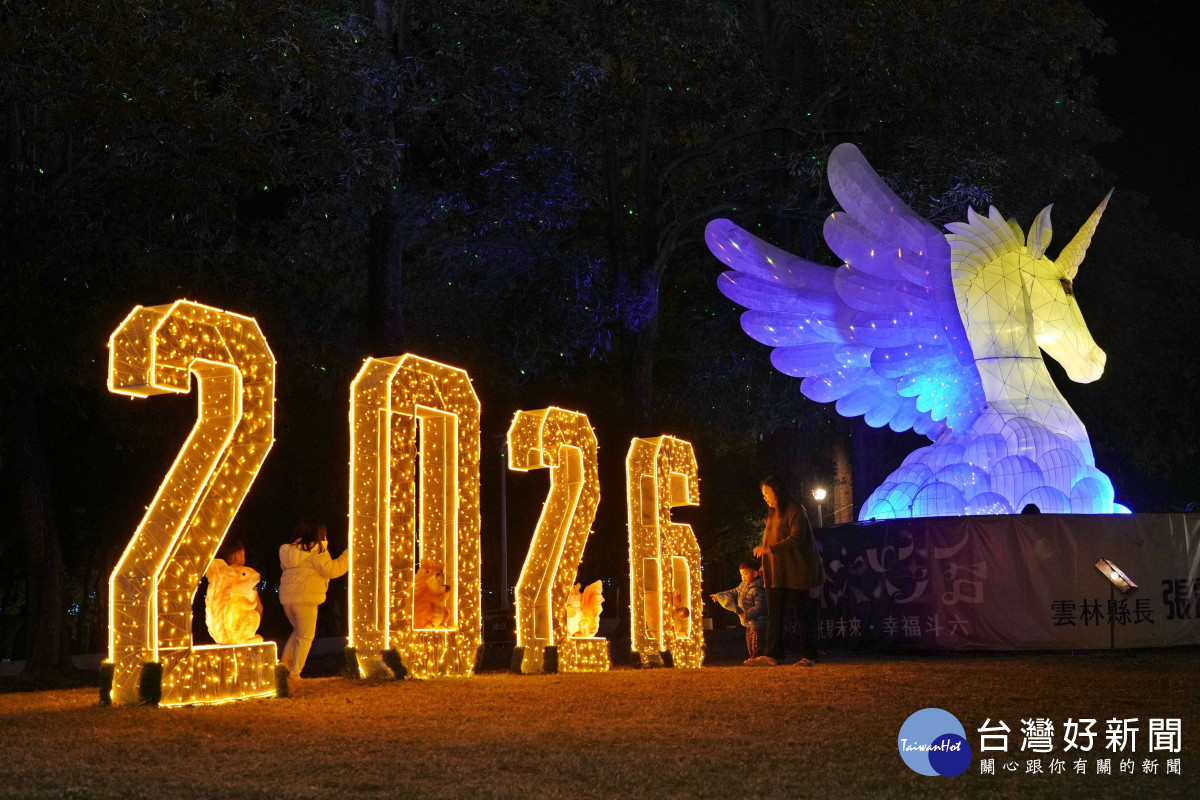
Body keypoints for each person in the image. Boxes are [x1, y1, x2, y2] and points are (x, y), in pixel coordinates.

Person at [750, 476, 821, 667]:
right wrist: (766, 564)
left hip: (796, 572)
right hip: (776, 573)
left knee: (802, 614)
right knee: (774, 614)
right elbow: (771, 541)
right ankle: (772, 655)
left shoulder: (795, 510)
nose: (765, 497)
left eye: (767, 493)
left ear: (778, 491)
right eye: (763, 494)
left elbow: (796, 538)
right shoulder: (773, 514)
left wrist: (769, 550)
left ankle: (809, 655)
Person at [278, 520, 348, 678]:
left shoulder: (289, 551)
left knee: (298, 631)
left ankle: (285, 661)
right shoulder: (317, 550)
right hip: (306, 600)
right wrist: (349, 555)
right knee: (306, 637)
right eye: (324, 534)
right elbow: (332, 570)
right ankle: (295, 673)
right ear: (319, 535)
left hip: (288, 600)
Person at [710, 557, 768, 663]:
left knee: (755, 643)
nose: (743, 577)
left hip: (757, 624)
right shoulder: (743, 585)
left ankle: (756, 659)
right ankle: (753, 658)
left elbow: (760, 607)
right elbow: (734, 592)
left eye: (745, 574)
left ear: (755, 573)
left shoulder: (758, 589)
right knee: (750, 643)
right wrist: (720, 595)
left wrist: (746, 614)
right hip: (748, 623)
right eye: (741, 575)